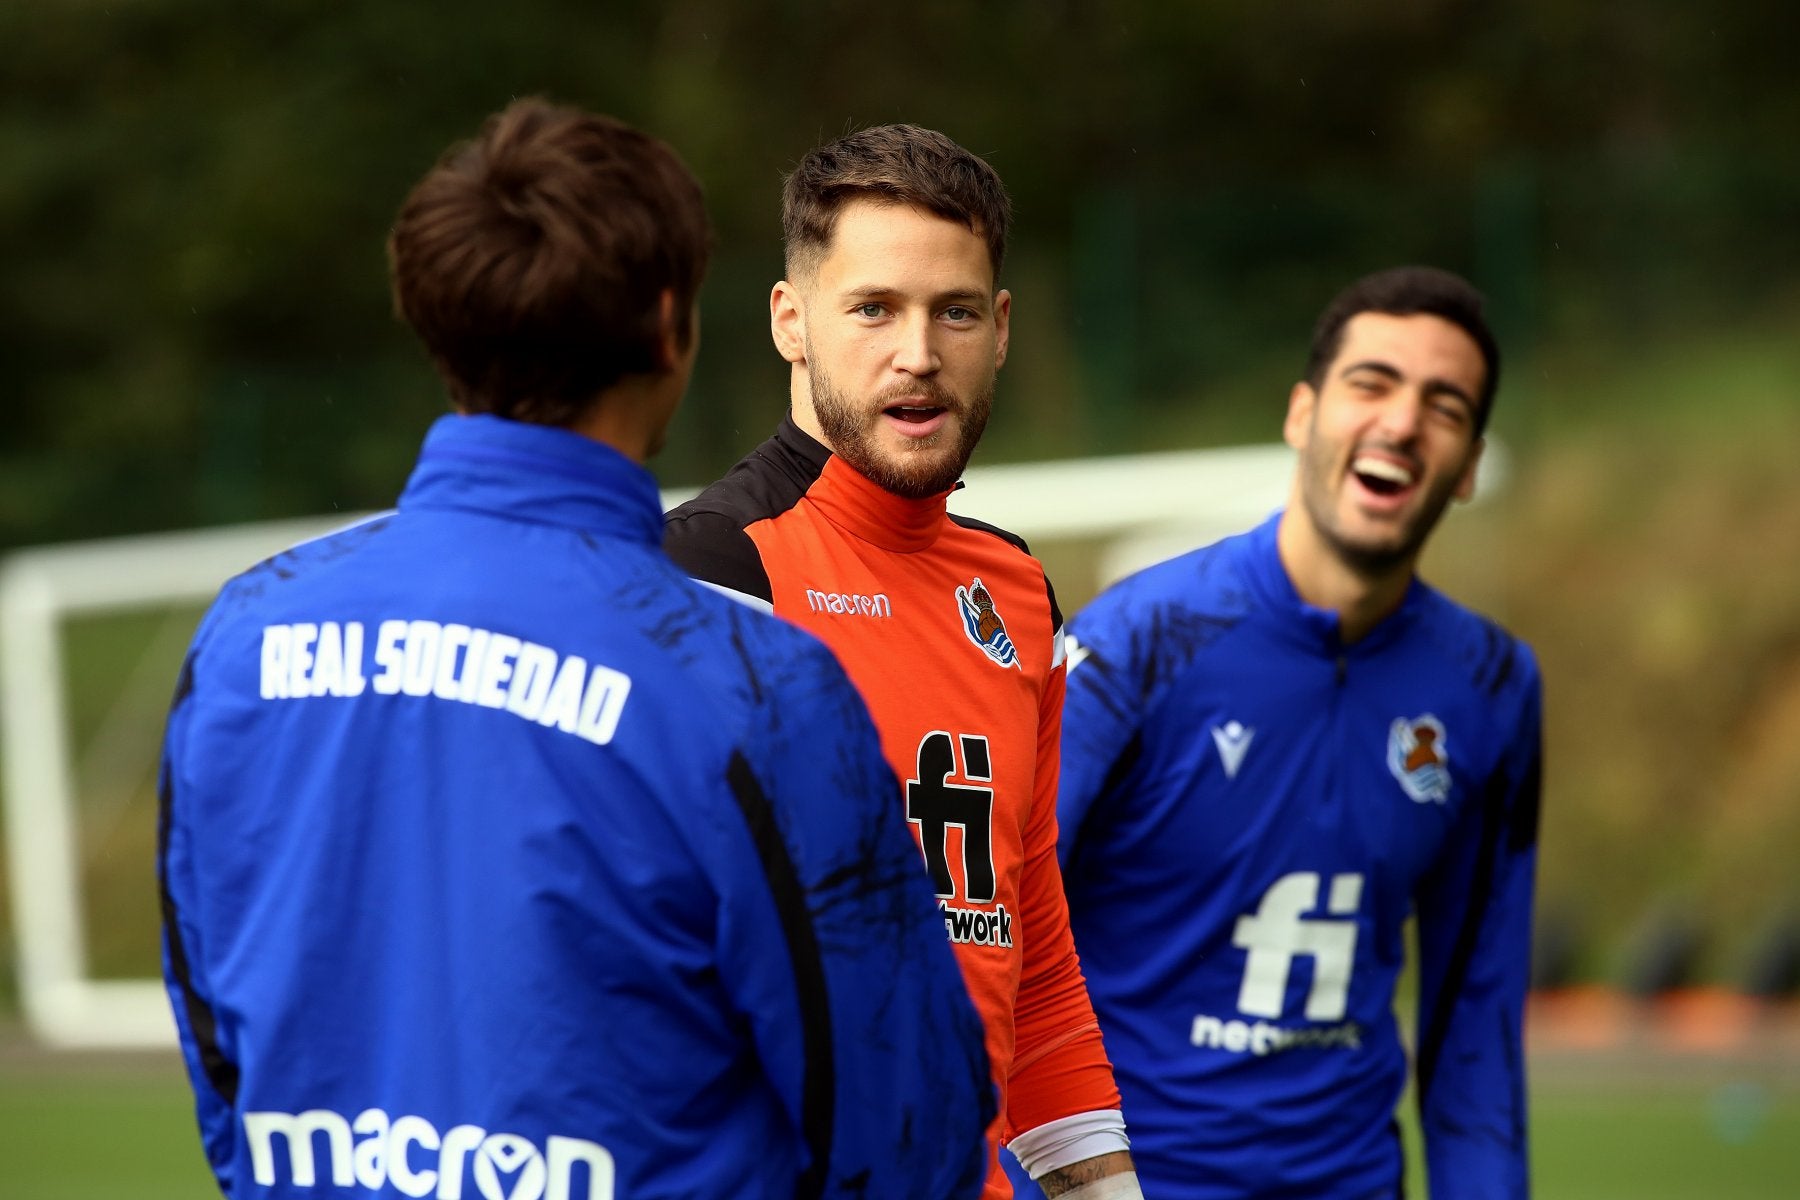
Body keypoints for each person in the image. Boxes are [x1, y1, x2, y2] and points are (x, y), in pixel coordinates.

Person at [157, 98, 994, 1200]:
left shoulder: (241, 639)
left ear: (435, 319)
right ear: (670, 328)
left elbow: (222, 1053)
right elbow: (908, 1134)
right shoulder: (752, 681)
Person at [664, 126, 1140, 1200]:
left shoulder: (1016, 593)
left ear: (1003, 329)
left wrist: (1104, 1187)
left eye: (955, 311)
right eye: (873, 308)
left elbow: (1037, 948)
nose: (917, 353)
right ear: (792, 320)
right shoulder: (710, 570)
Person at [1047, 266, 1543, 1198]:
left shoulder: (1491, 685)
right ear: (1302, 415)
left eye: (1444, 404)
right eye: (1373, 383)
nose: (1401, 421)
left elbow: (1478, 1029)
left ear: (1470, 463)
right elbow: (997, 957)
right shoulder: (1135, 644)